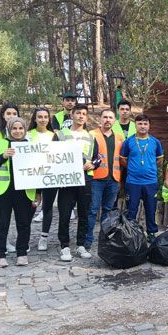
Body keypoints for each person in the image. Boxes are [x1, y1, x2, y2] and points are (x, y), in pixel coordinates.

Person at [0, 117, 37, 267]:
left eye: (21, 128)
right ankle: (0, 254)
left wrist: (38, 194)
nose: (17, 131)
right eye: (14, 128)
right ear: (9, 129)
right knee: (1, 224)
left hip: (24, 192)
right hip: (3, 192)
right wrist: (3, 156)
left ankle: (22, 253)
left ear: (24, 130)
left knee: (24, 224)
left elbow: (39, 171)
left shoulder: (31, 146)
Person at [53, 104, 100, 261]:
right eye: (78, 113)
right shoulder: (60, 134)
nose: (81, 116)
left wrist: (93, 164)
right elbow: (51, 156)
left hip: (85, 180)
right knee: (65, 214)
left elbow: (97, 157)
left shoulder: (90, 136)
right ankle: (64, 246)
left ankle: (80, 245)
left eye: (84, 114)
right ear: (71, 115)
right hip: (66, 180)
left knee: (84, 214)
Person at [120, 114, 164, 243]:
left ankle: (151, 233)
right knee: (131, 209)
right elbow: (122, 159)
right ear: (135, 125)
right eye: (140, 124)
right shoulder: (129, 142)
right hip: (133, 182)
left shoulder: (155, 142)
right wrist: (133, 168)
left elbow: (160, 159)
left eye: (145, 124)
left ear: (149, 125)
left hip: (150, 182)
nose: (143, 126)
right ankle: (131, 232)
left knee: (151, 209)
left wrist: (150, 167)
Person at [85, 109, 123, 249]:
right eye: (105, 117)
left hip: (113, 178)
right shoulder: (92, 134)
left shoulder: (119, 137)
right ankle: (88, 239)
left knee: (107, 209)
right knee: (93, 209)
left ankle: (104, 237)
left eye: (110, 117)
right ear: (100, 119)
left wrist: (121, 180)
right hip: (96, 178)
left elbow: (122, 159)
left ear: (114, 120)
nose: (107, 120)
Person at [0, 103, 20, 253]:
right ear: (3, 115)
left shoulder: (22, 133)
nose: (11, 116)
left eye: (15, 113)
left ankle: (4, 241)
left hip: (17, 180)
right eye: (9, 113)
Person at [26, 108, 57, 251]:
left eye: (46, 117)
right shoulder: (27, 135)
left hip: (51, 177)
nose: (43, 119)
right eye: (40, 117)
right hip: (33, 177)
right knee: (30, 207)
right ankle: (24, 236)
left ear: (49, 119)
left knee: (47, 207)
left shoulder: (54, 135)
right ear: (34, 119)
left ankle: (44, 237)